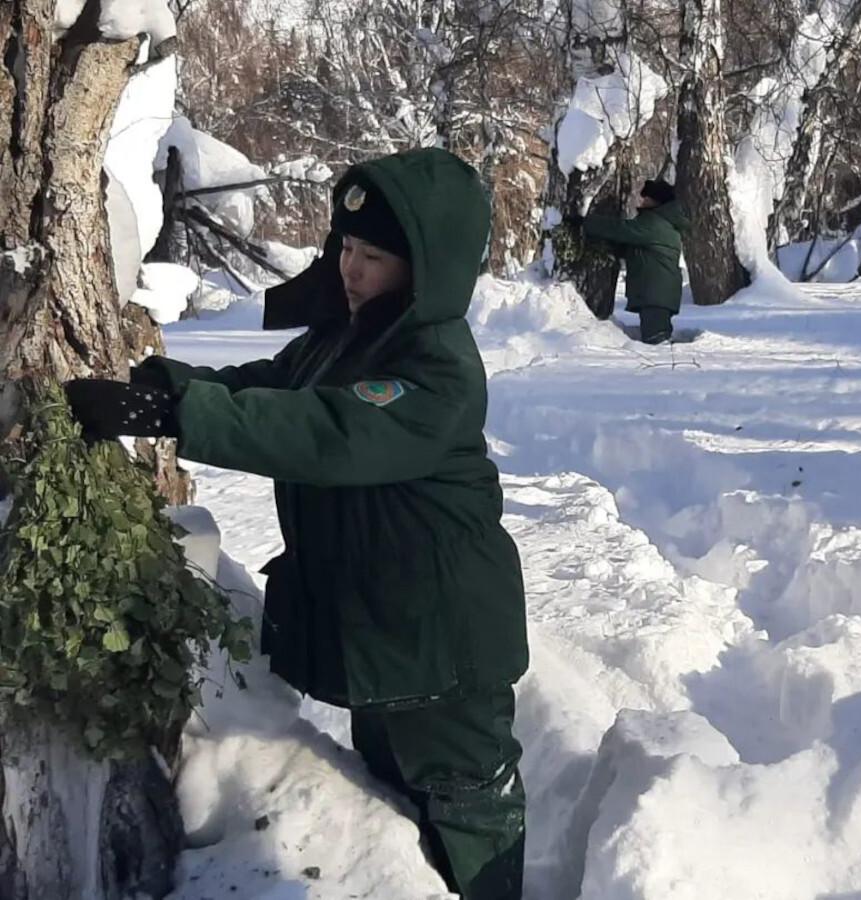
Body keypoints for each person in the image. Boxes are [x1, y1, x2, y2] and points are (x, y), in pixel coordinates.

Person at [64, 148, 529, 900]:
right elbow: (270, 386)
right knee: (394, 788)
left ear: (426, 268)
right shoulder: (345, 336)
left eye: (373, 255)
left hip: (445, 638)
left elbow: (326, 429)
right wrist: (168, 385)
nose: (350, 268)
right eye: (345, 248)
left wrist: (175, 416)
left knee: (465, 796)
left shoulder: (437, 366)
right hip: (391, 634)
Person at [578, 178, 690, 344]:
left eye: (647, 198)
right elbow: (636, 249)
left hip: (656, 293)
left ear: (657, 201)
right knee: (656, 338)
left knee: (657, 342)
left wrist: (585, 223)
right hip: (658, 293)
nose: (642, 201)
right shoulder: (662, 223)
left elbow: (621, 230)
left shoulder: (654, 223)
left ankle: (666, 368)